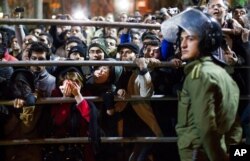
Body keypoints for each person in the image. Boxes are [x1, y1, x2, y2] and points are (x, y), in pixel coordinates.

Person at [161, 8, 242, 161]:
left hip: (198, 154)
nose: (183, 44)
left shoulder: (199, 76)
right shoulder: (224, 74)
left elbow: (206, 128)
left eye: (190, 38)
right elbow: (235, 127)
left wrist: (218, 158)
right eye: (182, 38)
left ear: (205, 41)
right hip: (216, 150)